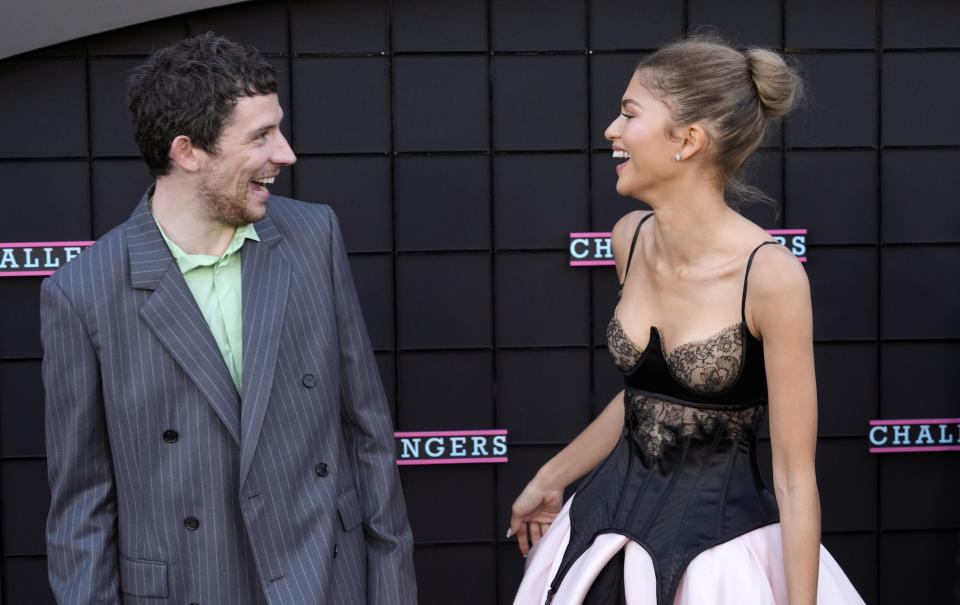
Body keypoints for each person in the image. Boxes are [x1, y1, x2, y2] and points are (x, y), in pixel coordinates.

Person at [40, 33, 416, 604]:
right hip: (192, 586)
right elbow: (82, 508)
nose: (286, 153)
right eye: (261, 136)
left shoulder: (313, 236)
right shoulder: (82, 293)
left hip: (325, 579)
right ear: (188, 151)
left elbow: (366, 435)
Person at [508, 37, 865, 605]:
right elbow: (644, 397)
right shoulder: (629, 238)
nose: (611, 130)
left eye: (629, 114)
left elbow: (796, 481)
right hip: (598, 539)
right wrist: (550, 478)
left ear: (689, 140)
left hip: (719, 564)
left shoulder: (770, 277)